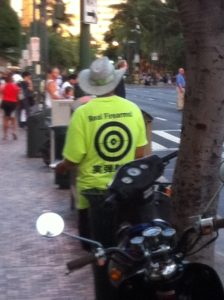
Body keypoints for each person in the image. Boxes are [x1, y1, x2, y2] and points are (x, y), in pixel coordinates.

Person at [56, 56, 148, 243]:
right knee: (130, 248)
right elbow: (139, 154)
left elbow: (73, 159)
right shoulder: (133, 109)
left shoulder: (82, 113)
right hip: (127, 192)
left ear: (91, 84)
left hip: (93, 197)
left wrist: (61, 167)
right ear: (115, 81)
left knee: (97, 251)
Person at [0, 72, 20, 140]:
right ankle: (14, 132)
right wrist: (18, 103)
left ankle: (5, 135)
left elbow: (1, 95)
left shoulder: (3, 86)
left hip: (5, 103)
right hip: (13, 104)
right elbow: (18, 96)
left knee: (5, 119)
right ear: (12, 79)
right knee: (13, 118)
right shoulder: (16, 86)